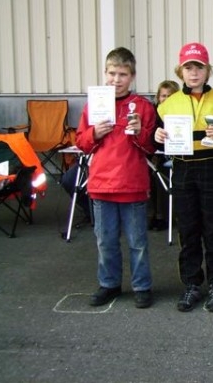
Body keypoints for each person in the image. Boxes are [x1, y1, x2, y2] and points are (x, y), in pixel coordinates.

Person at [154, 42, 213, 313]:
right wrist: (156, 136)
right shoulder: (168, 105)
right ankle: (192, 283)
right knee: (188, 228)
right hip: (182, 168)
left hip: (210, 166)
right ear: (180, 71)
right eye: (188, 68)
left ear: (208, 71)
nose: (194, 73)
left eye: (199, 67)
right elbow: (155, 138)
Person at [76, 47, 157, 309]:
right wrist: (94, 134)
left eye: (123, 74)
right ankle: (109, 284)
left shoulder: (143, 107)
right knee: (105, 241)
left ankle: (141, 286)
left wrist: (139, 132)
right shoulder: (93, 105)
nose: (116, 79)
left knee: (137, 243)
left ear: (132, 77)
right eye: (112, 73)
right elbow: (81, 143)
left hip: (132, 184)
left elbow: (151, 148)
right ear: (105, 73)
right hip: (101, 185)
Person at [148, 80, 180, 231]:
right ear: (158, 97)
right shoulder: (153, 113)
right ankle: (154, 214)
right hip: (155, 153)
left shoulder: (181, 112)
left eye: (170, 96)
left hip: (174, 155)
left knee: (161, 175)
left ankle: (163, 216)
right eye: (163, 96)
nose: (166, 99)